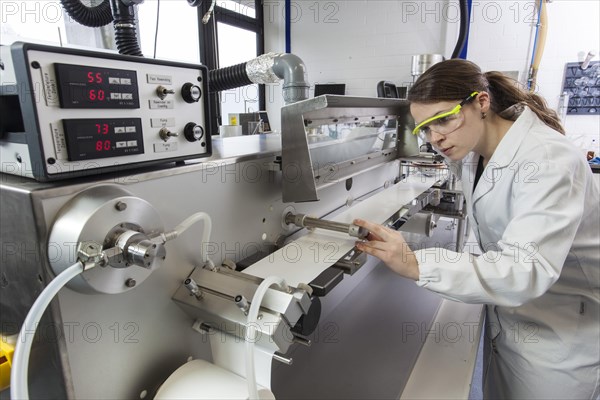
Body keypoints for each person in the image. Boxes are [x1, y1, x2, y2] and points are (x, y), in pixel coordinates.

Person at [354, 59, 600, 399]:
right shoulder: (474, 155)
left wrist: (415, 263)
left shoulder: (548, 159)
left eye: (443, 120)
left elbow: (524, 269)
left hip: (560, 337)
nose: (435, 137)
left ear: (481, 102)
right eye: (424, 128)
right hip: (511, 323)